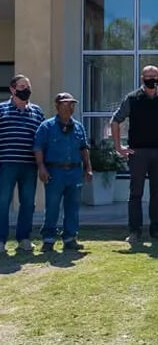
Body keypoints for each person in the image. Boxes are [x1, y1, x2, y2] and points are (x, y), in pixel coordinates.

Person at [112, 65, 158, 245]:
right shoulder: (132, 99)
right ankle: (135, 231)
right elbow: (115, 121)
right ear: (142, 78)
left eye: (154, 76)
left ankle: (156, 230)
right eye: (147, 76)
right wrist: (119, 147)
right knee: (136, 193)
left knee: (157, 193)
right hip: (137, 152)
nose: (151, 79)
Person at [33, 93, 92, 252]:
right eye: (66, 104)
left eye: (72, 104)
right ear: (57, 106)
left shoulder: (78, 126)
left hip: (74, 171)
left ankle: (70, 238)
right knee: (52, 206)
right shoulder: (46, 126)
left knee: (72, 206)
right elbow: (38, 148)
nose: (69, 107)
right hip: (54, 171)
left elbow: (83, 148)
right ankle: (48, 239)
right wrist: (41, 167)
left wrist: (88, 168)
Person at [0, 75, 44, 251]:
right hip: (6, 164)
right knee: (2, 202)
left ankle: (24, 238)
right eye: (22, 86)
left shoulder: (37, 111)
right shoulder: (1, 109)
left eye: (28, 86)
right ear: (12, 89)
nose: (26, 89)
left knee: (28, 203)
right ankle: (1, 240)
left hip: (29, 165)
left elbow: (41, 139)